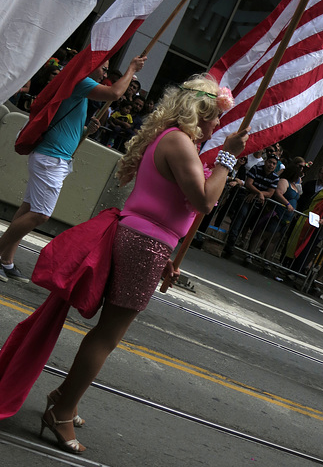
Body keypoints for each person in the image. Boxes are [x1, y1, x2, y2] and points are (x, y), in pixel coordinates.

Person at [36, 74, 248, 454]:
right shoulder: (181, 144)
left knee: (106, 332)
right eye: (215, 115)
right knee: (108, 335)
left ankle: (64, 396)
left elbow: (164, 203)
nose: (217, 124)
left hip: (146, 242)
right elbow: (203, 202)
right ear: (199, 111)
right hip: (145, 243)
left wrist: (164, 253)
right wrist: (227, 160)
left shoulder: (170, 139)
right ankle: (61, 410)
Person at [0, 56, 146, 283]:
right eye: (103, 68)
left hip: (53, 157)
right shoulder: (81, 81)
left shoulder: (77, 85)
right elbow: (115, 93)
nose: (104, 74)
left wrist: (86, 130)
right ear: (90, 64)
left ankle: (6, 260)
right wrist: (132, 69)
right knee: (40, 214)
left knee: (29, 208)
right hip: (51, 158)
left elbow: (67, 126)